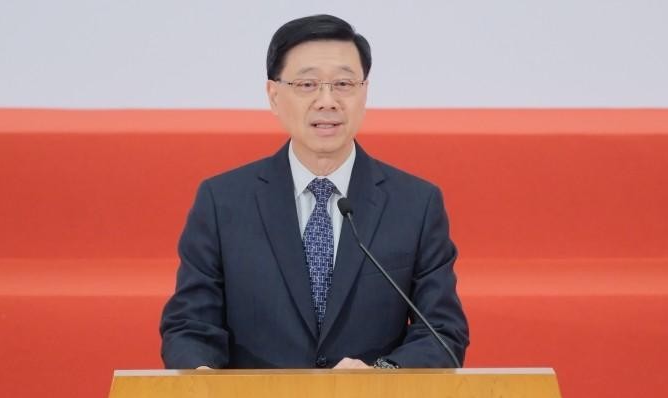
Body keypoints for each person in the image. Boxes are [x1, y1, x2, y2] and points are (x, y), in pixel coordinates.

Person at [160, 14, 468, 369]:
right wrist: (200, 377)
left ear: (364, 92)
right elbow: (190, 326)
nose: (327, 101)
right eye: (307, 84)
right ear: (274, 96)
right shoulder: (222, 202)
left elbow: (442, 331)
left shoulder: (415, 204)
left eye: (343, 84)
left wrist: (382, 375)